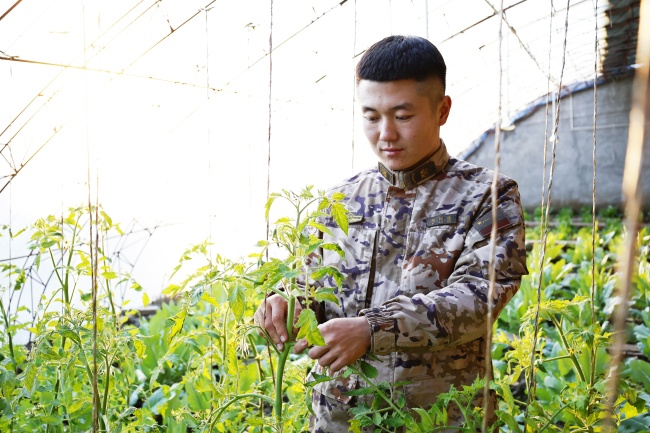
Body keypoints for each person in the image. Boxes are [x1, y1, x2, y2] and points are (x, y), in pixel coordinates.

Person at [255, 34, 528, 432]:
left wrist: (373, 329)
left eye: (402, 116)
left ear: (442, 109)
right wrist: (285, 304)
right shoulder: (341, 201)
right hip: (340, 418)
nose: (385, 133)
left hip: (436, 419)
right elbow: (311, 288)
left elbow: (481, 296)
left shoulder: (487, 195)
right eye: (370, 116)